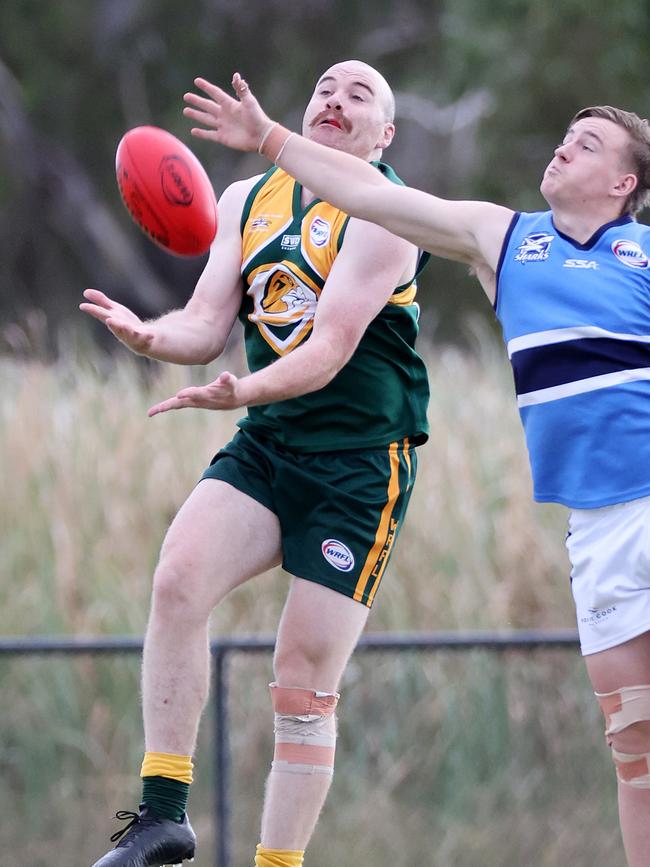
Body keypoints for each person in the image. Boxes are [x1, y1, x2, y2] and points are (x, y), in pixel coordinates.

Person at [183, 75, 650, 866]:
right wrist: (270, 139)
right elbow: (373, 199)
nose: (567, 142)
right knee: (635, 742)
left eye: (591, 142)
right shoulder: (504, 238)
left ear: (623, 183)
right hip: (599, 523)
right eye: (567, 131)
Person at [82, 60, 429, 867]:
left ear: (386, 135)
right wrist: (149, 336)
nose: (335, 99)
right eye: (324, 88)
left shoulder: (390, 213)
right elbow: (204, 324)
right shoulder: (247, 199)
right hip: (272, 444)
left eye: (360, 94)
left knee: (302, 684)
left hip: (358, 467)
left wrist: (239, 389)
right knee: (177, 579)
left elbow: (331, 347)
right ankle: (163, 814)